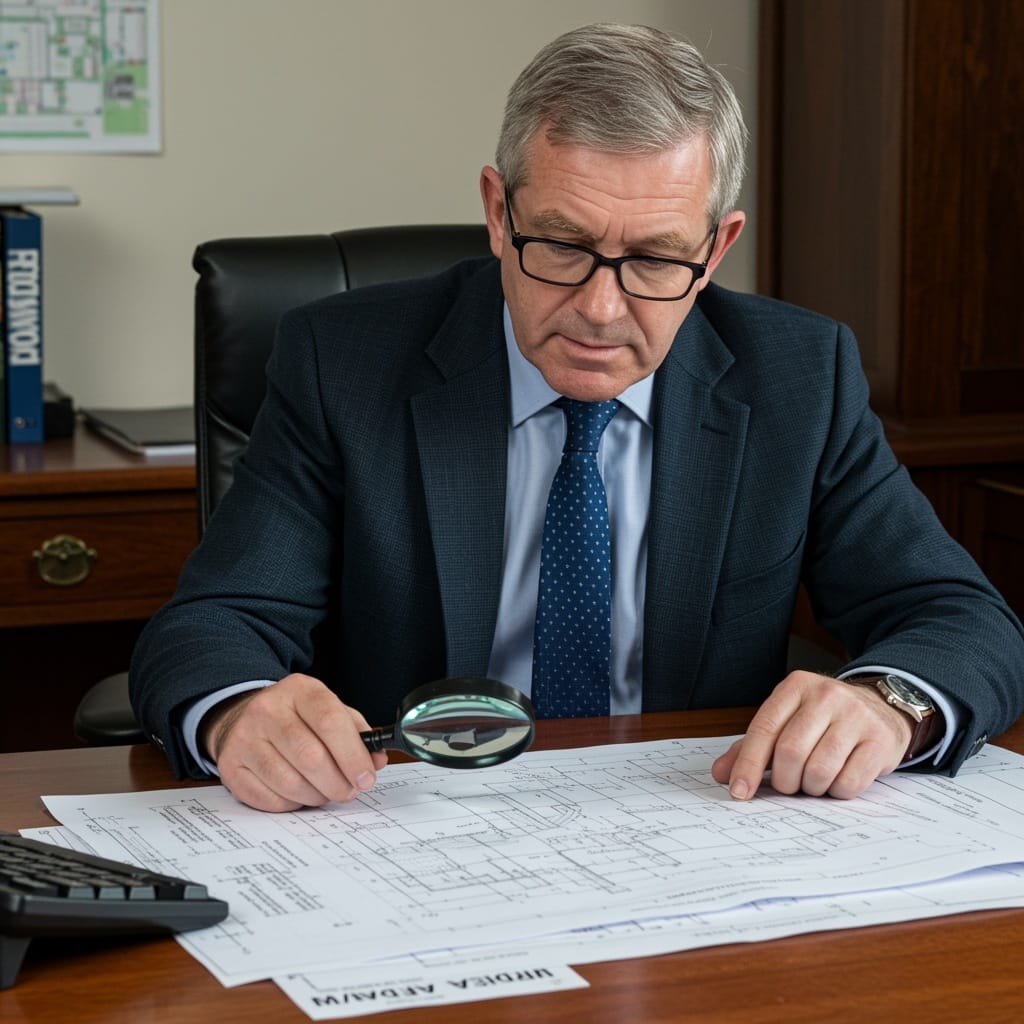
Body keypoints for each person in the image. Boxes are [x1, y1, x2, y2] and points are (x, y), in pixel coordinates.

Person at [130, 23, 1024, 812]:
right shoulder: (345, 364)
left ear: (716, 249)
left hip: (690, 824)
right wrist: (242, 712)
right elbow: (213, 626)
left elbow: (962, 619)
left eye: (655, 259)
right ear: (496, 211)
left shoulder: (797, 377)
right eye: (561, 246)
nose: (601, 309)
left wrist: (887, 703)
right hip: (410, 825)